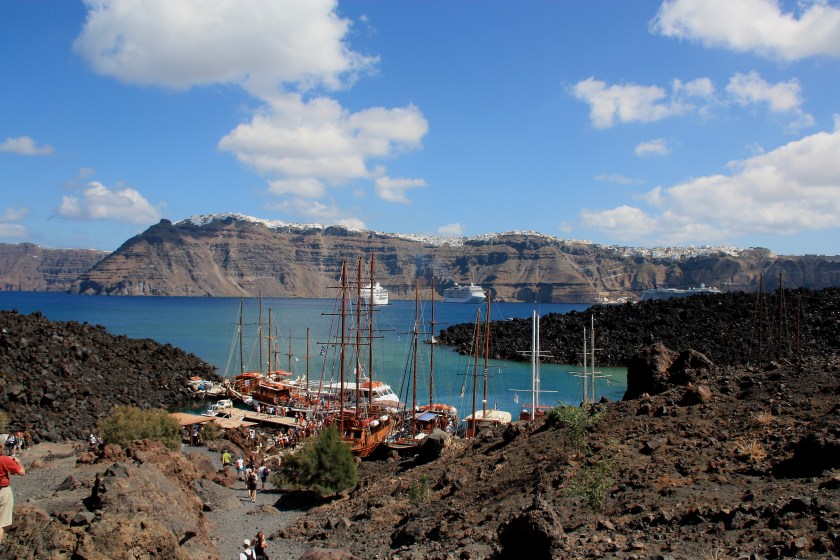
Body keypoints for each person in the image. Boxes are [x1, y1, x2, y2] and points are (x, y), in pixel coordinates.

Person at [0, 448, 25, 544]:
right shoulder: (4, 459)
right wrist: (18, 462)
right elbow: (21, 472)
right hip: (2, 491)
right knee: (1, 524)